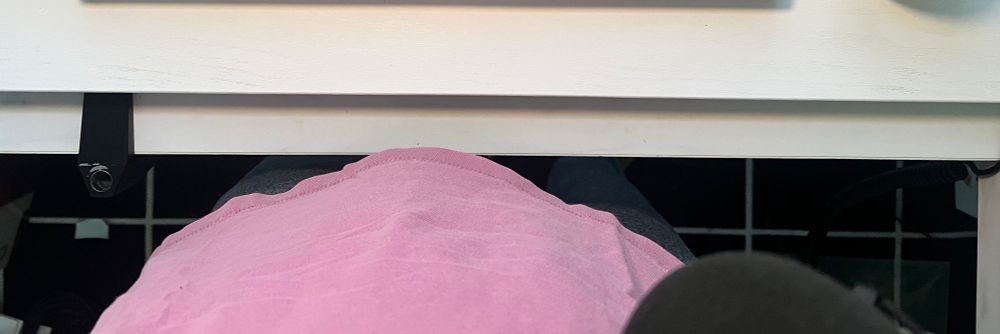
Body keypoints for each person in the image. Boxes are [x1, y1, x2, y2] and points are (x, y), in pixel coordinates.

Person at [93, 147, 690, 333]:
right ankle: (584, 154)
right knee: (592, 177)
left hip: (265, 263)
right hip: (585, 279)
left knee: (306, 150)